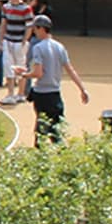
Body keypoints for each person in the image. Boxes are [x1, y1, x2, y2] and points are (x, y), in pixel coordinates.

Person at [26, 15, 89, 147]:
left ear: (41, 29)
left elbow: (38, 73)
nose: (34, 32)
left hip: (42, 94)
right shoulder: (60, 47)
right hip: (55, 93)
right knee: (56, 130)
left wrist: (24, 75)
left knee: (41, 131)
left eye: (35, 29)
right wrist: (82, 89)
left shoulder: (38, 48)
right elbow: (70, 70)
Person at [0, 0, 34, 105]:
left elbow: (29, 26)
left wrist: (24, 40)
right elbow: (3, 24)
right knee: (8, 66)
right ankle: (10, 94)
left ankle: (20, 93)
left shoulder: (26, 8)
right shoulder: (6, 7)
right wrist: (1, 40)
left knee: (21, 66)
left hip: (19, 41)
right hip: (8, 40)